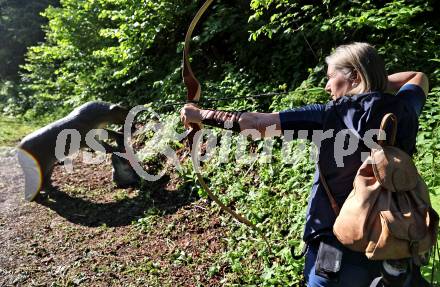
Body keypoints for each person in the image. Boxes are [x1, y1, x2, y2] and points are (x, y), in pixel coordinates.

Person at [180, 42, 429, 287]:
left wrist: (198, 114)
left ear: (353, 76)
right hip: (392, 242)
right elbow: (418, 77)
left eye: (331, 77)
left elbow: (255, 123)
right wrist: (375, 83)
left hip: (336, 244)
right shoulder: (404, 109)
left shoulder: (329, 115)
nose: (326, 86)